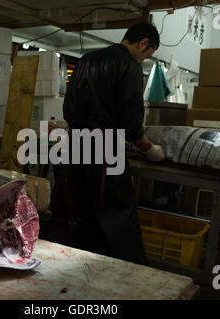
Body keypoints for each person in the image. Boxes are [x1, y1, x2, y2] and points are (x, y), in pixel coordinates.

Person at [47, 22, 165, 266]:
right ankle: (128, 269)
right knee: (117, 210)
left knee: (80, 206)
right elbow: (131, 126)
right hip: (105, 148)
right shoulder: (129, 66)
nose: (143, 61)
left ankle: (81, 260)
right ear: (143, 43)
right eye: (147, 55)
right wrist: (150, 150)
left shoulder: (86, 60)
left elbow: (70, 106)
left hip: (76, 144)